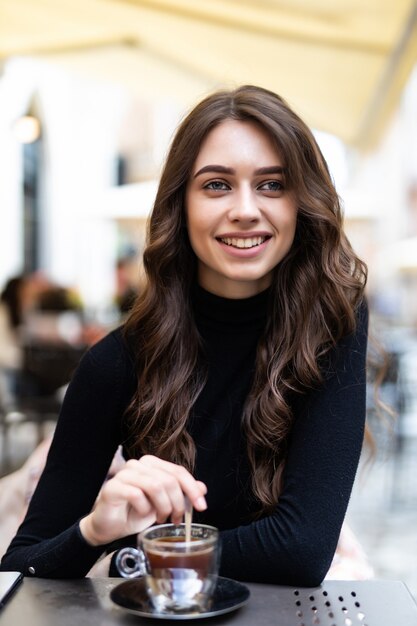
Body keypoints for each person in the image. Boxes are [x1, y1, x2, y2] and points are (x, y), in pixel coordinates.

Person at [0, 85, 369, 586]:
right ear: (182, 203)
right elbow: (22, 565)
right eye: (216, 185)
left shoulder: (331, 327)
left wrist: (132, 550)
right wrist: (92, 530)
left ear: (301, 203)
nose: (245, 209)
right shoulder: (115, 363)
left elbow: (301, 551)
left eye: (272, 185)